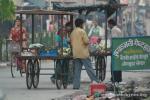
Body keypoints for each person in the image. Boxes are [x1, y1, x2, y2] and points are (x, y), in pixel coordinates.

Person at [70, 18, 99, 89]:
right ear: (80, 24)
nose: (83, 25)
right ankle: (96, 82)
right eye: (82, 24)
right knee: (89, 69)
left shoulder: (72, 32)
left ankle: (76, 86)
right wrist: (90, 41)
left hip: (76, 53)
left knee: (77, 71)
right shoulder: (82, 31)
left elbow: (71, 42)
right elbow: (86, 41)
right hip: (83, 53)